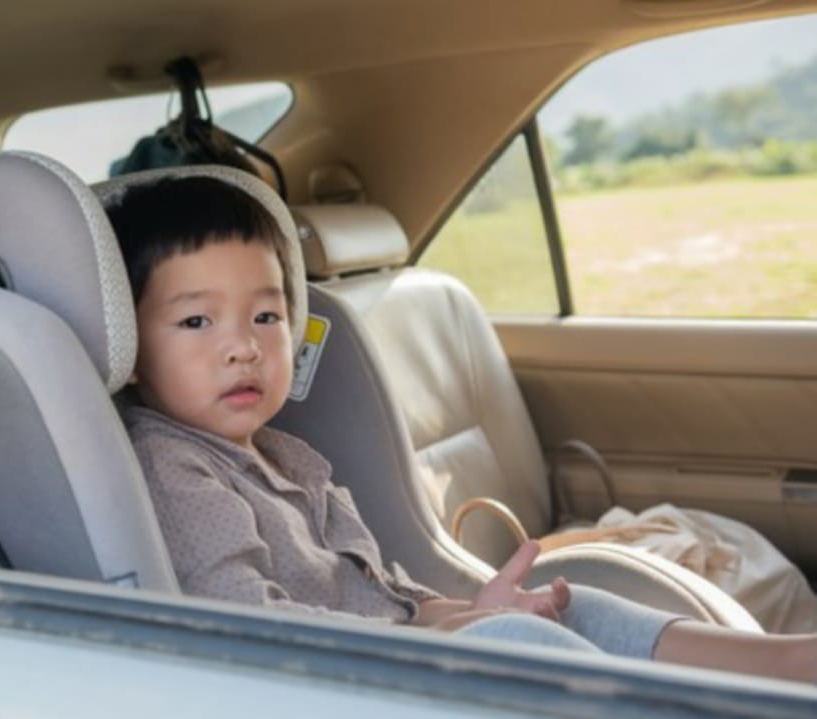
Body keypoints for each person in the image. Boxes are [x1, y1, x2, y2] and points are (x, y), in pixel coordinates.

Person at [104, 173, 817, 683]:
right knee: (522, 643)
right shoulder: (174, 467)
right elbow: (252, 627)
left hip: (389, 653)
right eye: (196, 321)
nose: (243, 346)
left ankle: (786, 666)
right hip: (334, 682)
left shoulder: (286, 456)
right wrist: (454, 631)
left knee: (569, 609)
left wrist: (465, 610)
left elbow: (381, 592)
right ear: (130, 347)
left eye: (266, 316)